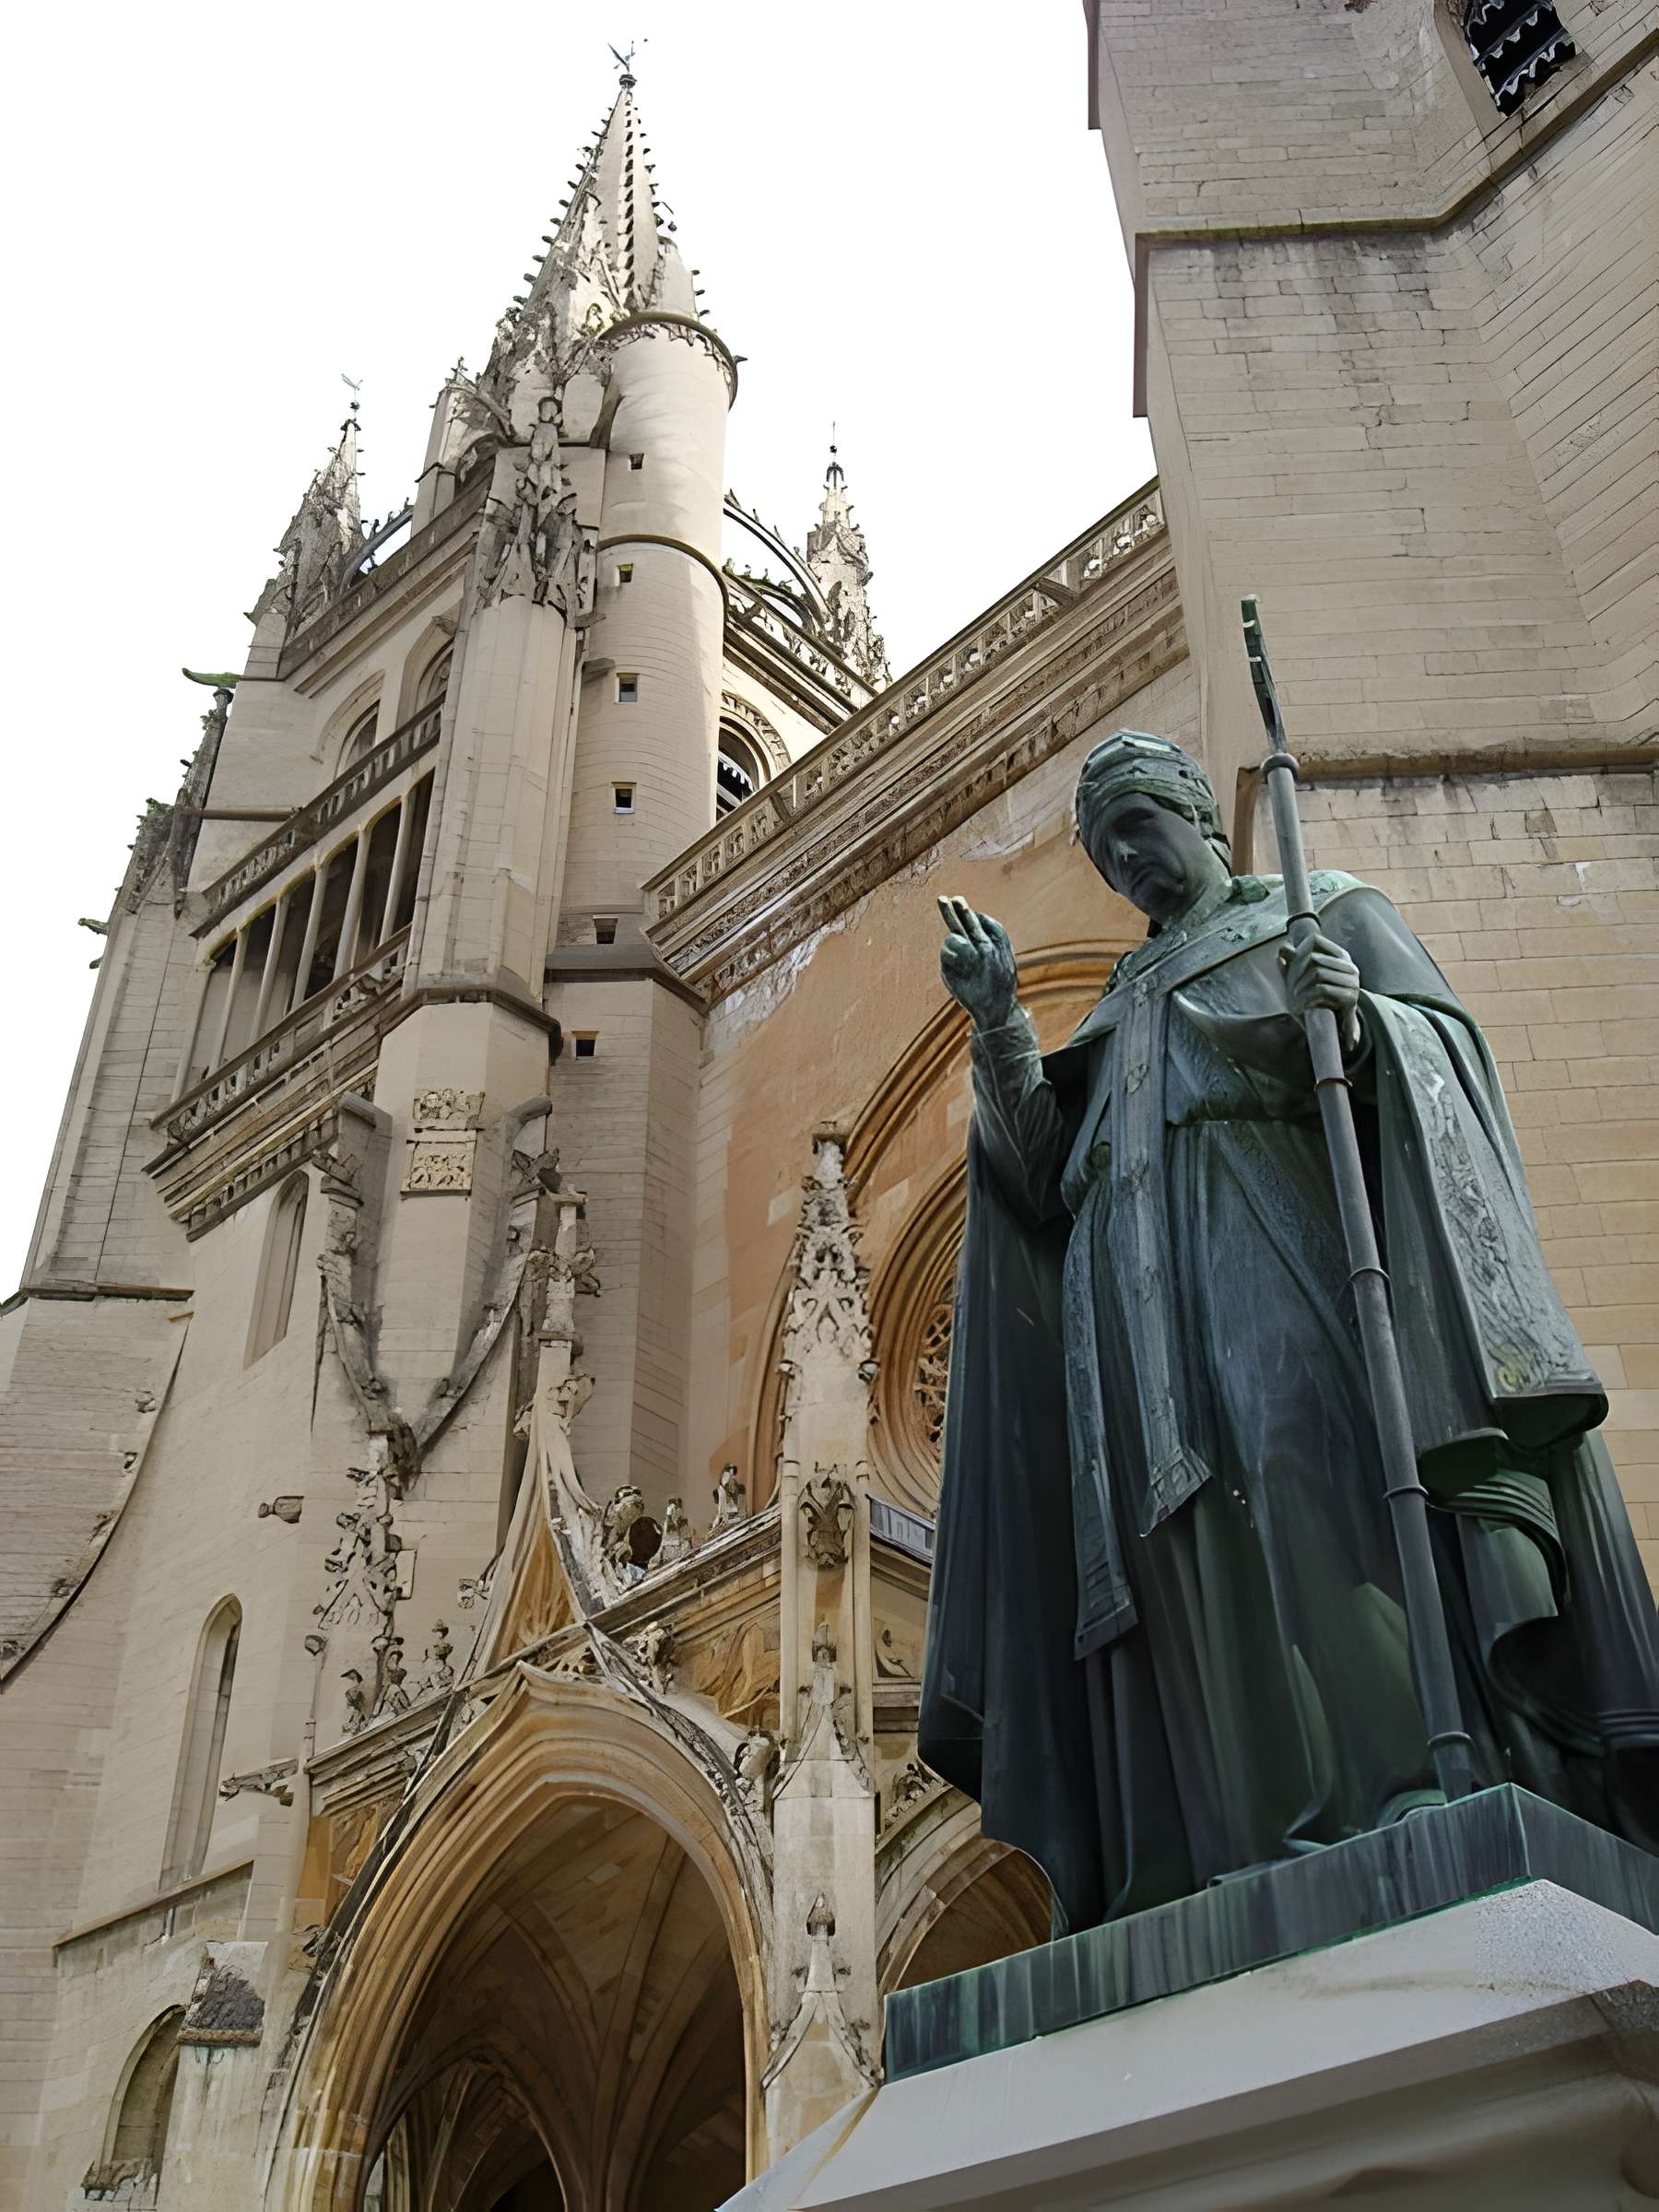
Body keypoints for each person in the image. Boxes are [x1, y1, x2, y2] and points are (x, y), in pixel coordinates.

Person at [919, 728, 1659, 1935]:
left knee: (1302, 1466)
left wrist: (1359, 1024)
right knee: (1183, 1555)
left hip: (1273, 1252)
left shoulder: (1317, 912)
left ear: (1199, 812)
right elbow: (1045, 1174)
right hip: (1132, 1329)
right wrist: (1000, 1021)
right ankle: (1239, 1841)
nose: (1127, 863)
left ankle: (1405, 1779)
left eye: (1139, 829)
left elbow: (1446, 1054)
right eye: (1106, 853)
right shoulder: (1124, 997)